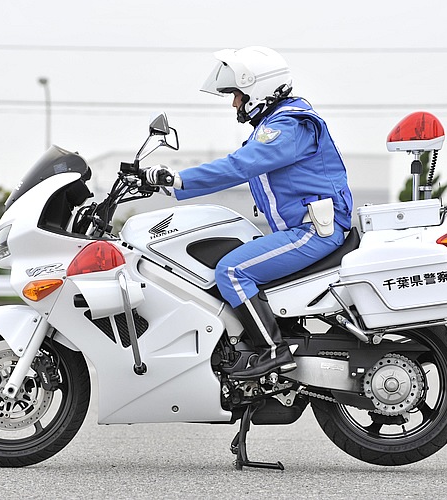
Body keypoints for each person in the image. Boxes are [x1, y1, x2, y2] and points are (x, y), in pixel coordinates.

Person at [144, 46, 353, 380]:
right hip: (301, 231)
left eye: (238, 95)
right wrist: (170, 186)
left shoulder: (289, 126)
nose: (234, 103)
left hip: (313, 233)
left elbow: (240, 166)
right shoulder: (277, 125)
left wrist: (179, 178)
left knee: (232, 271)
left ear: (258, 90)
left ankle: (274, 351)